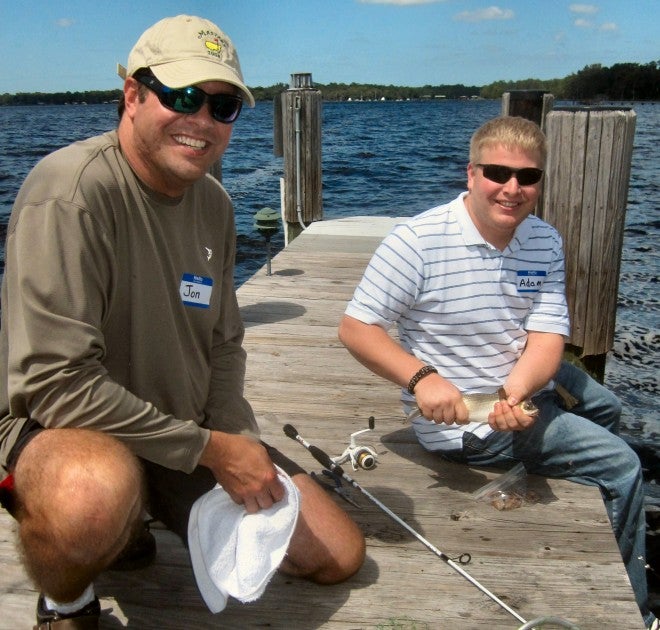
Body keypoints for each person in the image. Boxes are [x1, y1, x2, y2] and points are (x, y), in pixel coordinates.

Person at [0, 15, 364, 629]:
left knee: (337, 554)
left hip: (179, 430)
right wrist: (212, 450)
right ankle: (68, 599)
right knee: (90, 497)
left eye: (222, 106)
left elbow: (224, 343)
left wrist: (233, 436)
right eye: (183, 96)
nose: (201, 120)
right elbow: (55, 385)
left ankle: (133, 517)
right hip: (58, 428)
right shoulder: (70, 191)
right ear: (133, 95)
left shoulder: (215, 204)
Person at [338, 115, 654, 627]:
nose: (512, 188)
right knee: (623, 465)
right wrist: (422, 379)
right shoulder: (416, 241)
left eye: (527, 177)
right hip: (462, 418)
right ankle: (634, 610)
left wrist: (514, 393)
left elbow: (548, 338)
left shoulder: (544, 240)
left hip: (514, 383)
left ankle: (586, 493)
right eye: (497, 173)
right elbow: (357, 328)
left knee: (608, 405)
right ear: (471, 173)